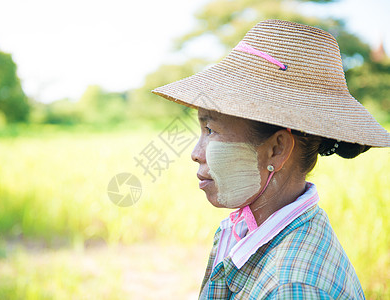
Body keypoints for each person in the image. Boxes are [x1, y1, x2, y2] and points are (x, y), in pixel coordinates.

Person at [151, 19, 390, 299]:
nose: (195, 153)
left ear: (277, 149)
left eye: (211, 130)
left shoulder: (292, 287)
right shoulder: (249, 229)